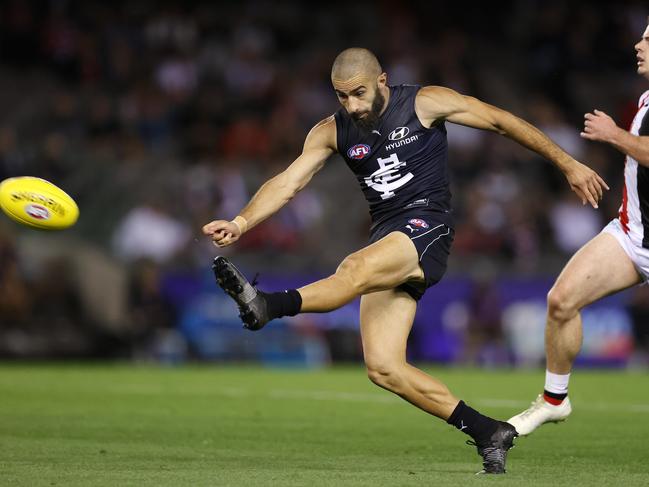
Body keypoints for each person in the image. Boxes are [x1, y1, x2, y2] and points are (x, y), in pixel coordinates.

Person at [202, 48, 607, 474]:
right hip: (389, 238)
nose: (352, 105)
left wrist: (567, 163)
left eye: (358, 93)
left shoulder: (424, 102)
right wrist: (242, 221)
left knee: (354, 270)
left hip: (426, 227)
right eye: (341, 97)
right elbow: (288, 182)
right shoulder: (331, 131)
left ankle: (268, 305)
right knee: (384, 367)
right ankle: (489, 431)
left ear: (382, 81)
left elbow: (500, 121)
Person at [508, 22, 649, 436]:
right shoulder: (646, 96)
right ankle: (555, 399)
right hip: (633, 234)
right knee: (562, 300)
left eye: (647, 39)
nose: (637, 45)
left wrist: (615, 135)